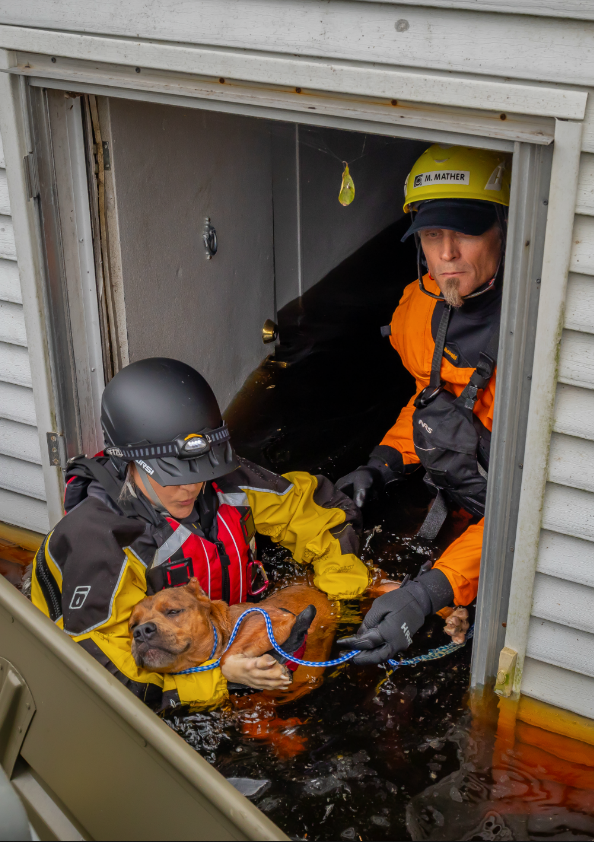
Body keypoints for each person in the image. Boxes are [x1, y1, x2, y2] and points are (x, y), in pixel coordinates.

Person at [30, 357, 370, 710]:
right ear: (127, 461)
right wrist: (225, 679)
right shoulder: (99, 542)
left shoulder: (225, 482)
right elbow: (106, 672)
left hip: (225, 635)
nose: (191, 486)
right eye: (171, 474)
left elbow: (316, 513)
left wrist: (345, 604)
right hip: (167, 677)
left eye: (202, 467)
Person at [336, 144, 510, 665]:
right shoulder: (420, 308)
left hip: (509, 504)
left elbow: (526, 507)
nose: (448, 254)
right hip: (464, 489)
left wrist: (433, 590)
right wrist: (383, 464)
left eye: (466, 232)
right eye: (433, 236)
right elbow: (430, 402)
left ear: (504, 230)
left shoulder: (533, 343)